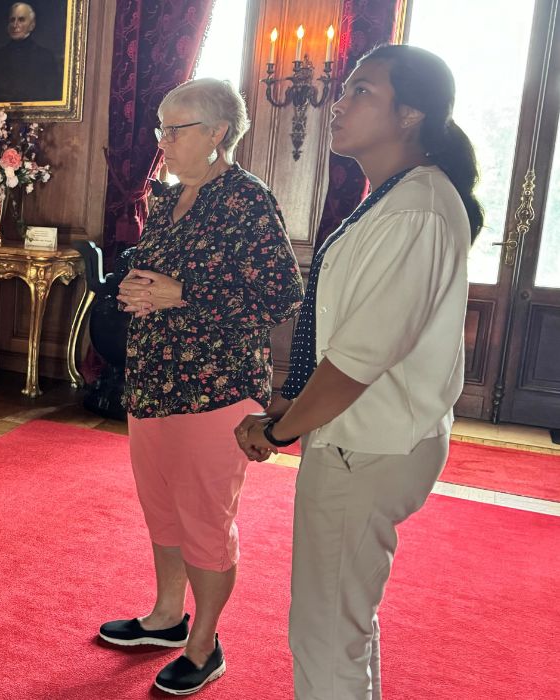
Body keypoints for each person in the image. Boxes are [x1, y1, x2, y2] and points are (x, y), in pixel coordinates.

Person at [235, 45, 480, 699]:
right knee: (342, 623)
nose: (338, 102)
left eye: (362, 90)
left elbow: (359, 360)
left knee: (323, 633)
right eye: (342, 88)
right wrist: (292, 407)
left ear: (410, 115)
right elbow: (344, 336)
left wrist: (280, 429)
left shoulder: (417, 208)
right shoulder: (398, 195)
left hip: (365, 443)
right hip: (357, 435)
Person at [99, 78, 304, 695]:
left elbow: (279, 299)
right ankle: (166, 616)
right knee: (161, 506)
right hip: (154, 379)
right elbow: (160, 279)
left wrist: (182, 295)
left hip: (215, 387)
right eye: (161, 127)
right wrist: (138, 290)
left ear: (217, 134)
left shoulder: (248, 200)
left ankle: (204, 643)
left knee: (206, 520)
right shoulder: (167, 198)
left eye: (173, 128)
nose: (161, 141)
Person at [0, 2, 62, 103]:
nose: (15, 25)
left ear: (32, 25)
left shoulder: (45, 57)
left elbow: (50, 96)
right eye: (12, 20)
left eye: (21, 20)